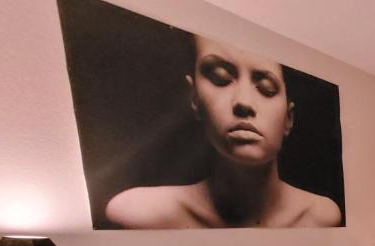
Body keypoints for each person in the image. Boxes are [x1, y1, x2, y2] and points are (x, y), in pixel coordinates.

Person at [105, 36, 342, 229]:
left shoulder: (321, 216)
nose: (243, 102)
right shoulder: (141, 214)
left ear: (288, 118)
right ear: (195, 99)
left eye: (267, 89)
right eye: (220, 78)